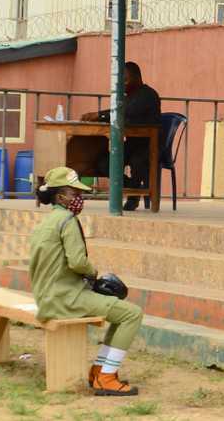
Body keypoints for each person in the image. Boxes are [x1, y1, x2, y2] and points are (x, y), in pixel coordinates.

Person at [30, 167, 144, 396]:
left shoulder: (47, 222)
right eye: (73, 193)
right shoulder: (67, 220)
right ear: (60, 196)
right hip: (66, 298)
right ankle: (106, 377)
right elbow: (77, 262)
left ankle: (99, 370)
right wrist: (94, 273)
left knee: (120, 314)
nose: (78, 198)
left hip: (48, 296)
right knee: (132, 314)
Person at [81, 61, 161, 211]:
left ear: (137, 77)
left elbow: (125, 113)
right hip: (131, 144)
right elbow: (118, 110)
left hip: (148, 145)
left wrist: (99, 115)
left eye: (125, 79)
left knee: (138, 162)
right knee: (104, 163)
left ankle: (133, 198)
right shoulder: (128, 96)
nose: (122, 83)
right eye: (120, 80)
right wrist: (100, 115)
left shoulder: (147, 95)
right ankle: (132, 187)